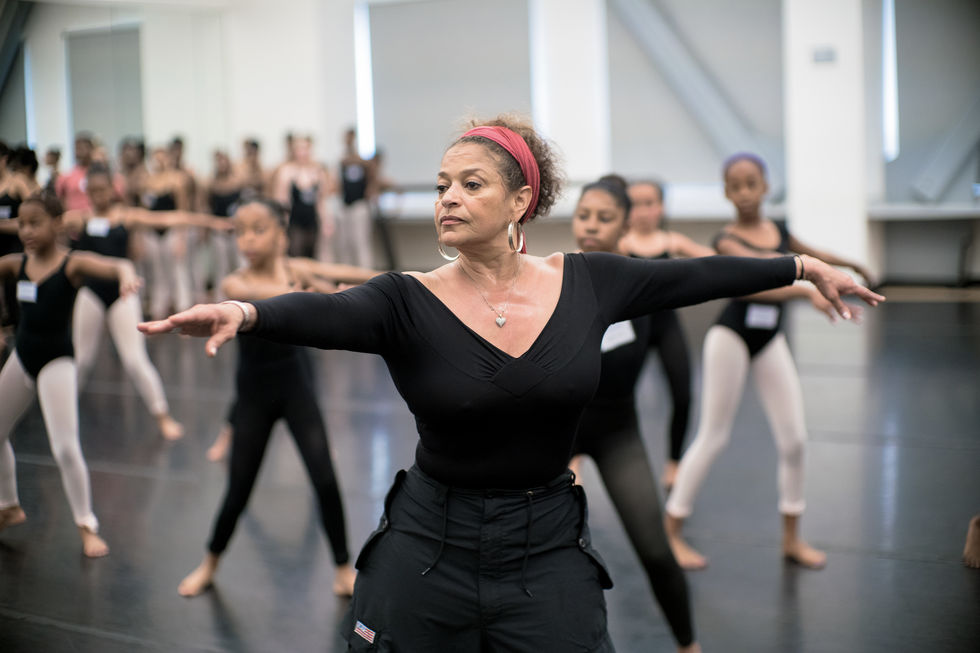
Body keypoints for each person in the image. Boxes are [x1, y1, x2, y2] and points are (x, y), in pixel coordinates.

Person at [140, 115, 882, 651]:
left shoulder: (588, 281)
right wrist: (243, 309)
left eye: (469, 183)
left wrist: (800, 266)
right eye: (440, 186)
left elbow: (693, 274)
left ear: (520, 200)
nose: (447, 199)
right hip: (429, 541)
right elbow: (327, 310)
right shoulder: (407, 298)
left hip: (547, 543)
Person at [664, 153, 877, 571]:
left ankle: (791, 539)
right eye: (736, 185)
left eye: (751, 183)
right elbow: (759, 283)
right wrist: (804, 292)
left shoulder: (778, 229)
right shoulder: (726, 241)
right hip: (731, 338)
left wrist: (849, 265)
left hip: (768, 340)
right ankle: (670, 531)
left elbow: (811, 254)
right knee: (713, 436)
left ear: (765, 187)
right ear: (726, 192)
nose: (744, 193)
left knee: (795, 440)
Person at [176, 197, 381, 598]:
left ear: (281, 235)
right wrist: (323, 293)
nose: (247, 240)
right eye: (240, 231)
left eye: (258, 229)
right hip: (254, 395)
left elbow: (345, 271)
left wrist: (397, 280)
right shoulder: (235, 282)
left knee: (324, 477)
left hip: (295, 388)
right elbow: (272, 293)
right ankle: (209, 564)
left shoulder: (296, 269)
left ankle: (342, 567)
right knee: (238, 489)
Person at [568, 175, 702, 653]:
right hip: (556, 432)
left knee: (655, 550)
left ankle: (689, 645)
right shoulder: (553, 282)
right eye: (584, 215)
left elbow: (681, 379)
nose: (591, 226)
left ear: (625, 225)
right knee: (534, 550)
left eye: (604, 218)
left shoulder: (644, 290)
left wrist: (795, 272)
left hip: (617, 431)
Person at [0, 189, 139, 557]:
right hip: (23, 357)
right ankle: (9, 506)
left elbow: (116, 265)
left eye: (35, 223)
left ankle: (86, 525)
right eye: (22, 224)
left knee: (64, 446)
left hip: (57, 361)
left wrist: (126, 276)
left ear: (58, 225)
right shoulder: (16, 264)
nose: (26, 231)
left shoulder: (72, 264)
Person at [65, 163, 229, 441]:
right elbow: (38, 224)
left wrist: (213, 223)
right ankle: (64, 418)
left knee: (135, 360)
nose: (97, 196)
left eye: (102, 190)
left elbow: (171, 219)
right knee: (80, 361)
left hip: (123, 293)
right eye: (92, 191)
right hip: (90, 293)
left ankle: (163, 416)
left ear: (113, 189)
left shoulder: (126, 215)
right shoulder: (78, 218)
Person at [617, 179, 714, 489]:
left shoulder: (673, 242)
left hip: (666, 325)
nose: (643, 211)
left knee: (683, 393)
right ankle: (597, 455)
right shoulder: (620, 245)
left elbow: (716, 262)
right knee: (615, 396)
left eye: (650, 203)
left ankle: (674, 462)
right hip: (633, 328)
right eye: (635, 204)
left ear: (661, 208)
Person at [141, 147, 193, 320]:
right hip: (153, 233)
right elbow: (144, 211)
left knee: (178, 271)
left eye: (162, 156)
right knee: (157, 273)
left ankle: (183, 309)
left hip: (172, 231)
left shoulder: (178, 180)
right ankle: (159, 308)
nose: (159, 160)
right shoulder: (148, 181)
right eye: (156, 157)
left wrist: (181, 238)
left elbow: (182, 210)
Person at [274, 135, 333, 259]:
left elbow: (321, 201)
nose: (303, 152)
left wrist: (326, 221)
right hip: (295, 222)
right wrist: (281, 225)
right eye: (300, 149)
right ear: (294, 151)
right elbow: (282, 200)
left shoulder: (317, 171)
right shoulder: (287, 170)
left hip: (312, 221)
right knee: (296, 253)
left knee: (312, 255)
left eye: (306, 148)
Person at [0, 142, 34, 334]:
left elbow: (32, 216)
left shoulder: (17, 182)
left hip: (16, 243)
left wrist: (3, 226)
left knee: (14, 290)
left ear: (4, 160)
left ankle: (22, 329)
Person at [336, 128, 375, 268]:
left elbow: (372, 179)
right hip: (345, 205)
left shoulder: (364, 162)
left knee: (361, 242)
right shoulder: (342, 162)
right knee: (344, 244)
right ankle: (347, 275)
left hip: (360, 205)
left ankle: (365, 275)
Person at [55, 133, 95, 212]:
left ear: (91, 149)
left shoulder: (100, 174)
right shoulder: (67, 176)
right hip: (73, 219)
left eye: (82, 147)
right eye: (76, 148)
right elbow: (60, 198)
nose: (79, 150)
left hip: (95, 218)